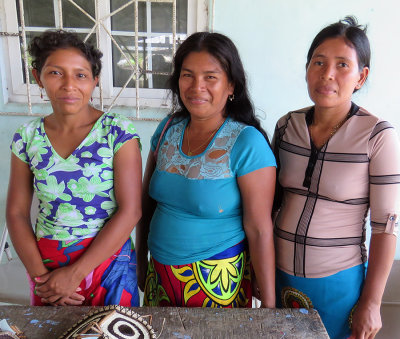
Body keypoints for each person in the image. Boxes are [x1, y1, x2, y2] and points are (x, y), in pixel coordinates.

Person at [273, 16, 400, 339]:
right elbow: (271, 202)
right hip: (280, 278)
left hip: (339, 285)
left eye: (342, 64)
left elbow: (386, 227)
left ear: (361, 76)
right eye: (318, 62)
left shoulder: (377, 136)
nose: (327, 74)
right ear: (306, 68)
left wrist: (371, 303)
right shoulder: (287, 126)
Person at [135, 32, 276, 308]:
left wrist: (269, 308)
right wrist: (141, 259)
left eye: (210, 77)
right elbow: (146, 203)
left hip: (216, 279)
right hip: (160, 274)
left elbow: (259, 229)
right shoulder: (167, 129)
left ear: (231, 85)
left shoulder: (247, 143)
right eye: (188, 75)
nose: (197, 86)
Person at [6, 30, 142, 306]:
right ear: (38, 78)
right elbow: (16, 212)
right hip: (48, 269)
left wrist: (75, 274)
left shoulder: (117, 131)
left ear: (94, 81)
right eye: (56, 73)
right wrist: (42, 278)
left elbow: (131, 210)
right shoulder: (27, 137)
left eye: (80, 75)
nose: (69, 85)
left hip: (108, 263)